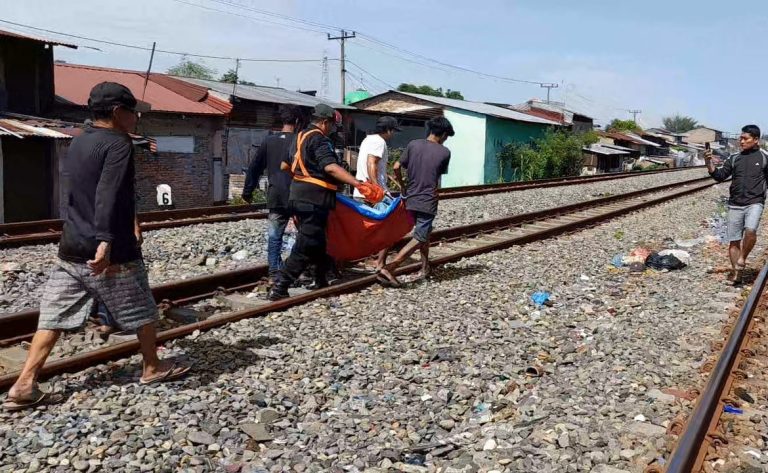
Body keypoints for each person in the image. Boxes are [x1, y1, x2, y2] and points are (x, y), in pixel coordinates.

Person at [3, 82, 191, 411]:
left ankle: (25, 383)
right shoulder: (118, 143)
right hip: (109, 250)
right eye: (133, 112)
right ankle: (151, 367)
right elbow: (108, 192)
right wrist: (106, 241)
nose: (136, 118)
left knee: (52, 317)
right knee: (143, 310)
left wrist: (127, 220)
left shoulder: (79, 141)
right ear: (118, 113)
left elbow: (86, 193)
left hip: (71, 245)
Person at [268, 104, 381, 301]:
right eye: (332, 125)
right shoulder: (320, 139)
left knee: (318, 241)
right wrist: (358, 183)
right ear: (324, 122)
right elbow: (330, 167)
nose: (332, 130)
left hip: (296, 196)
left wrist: (303, 178)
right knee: (306, 243)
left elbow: (285, 165)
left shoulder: (299, 136)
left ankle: (320, 278)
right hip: (314, 200)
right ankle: (281, 284)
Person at [377, 116, 454, 287]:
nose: (446, 139)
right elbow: (437, 178)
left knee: (419, 233)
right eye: (447, 136)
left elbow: (396, 167)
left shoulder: (413, 144)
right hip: (428, 199)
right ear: (442, 134)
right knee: (420, 236)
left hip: (410, 197)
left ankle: (425, 268)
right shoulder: (444, 152)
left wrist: (403, 187)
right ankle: (391, 267)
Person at [242, 105, 304, 282]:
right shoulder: (302, 140)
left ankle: (274, 273)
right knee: (303, 235)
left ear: (282, 121)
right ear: (298, 121)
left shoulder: (269, 141)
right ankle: (297, 270)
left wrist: (248, 192)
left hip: (276, 194)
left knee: (275, 236)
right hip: (299, 195)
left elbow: (255, 168)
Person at [706, 124, 768, 283]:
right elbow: (719, 176)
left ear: (755, 140)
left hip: (755, 202)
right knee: (733, 240)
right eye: (740, 138)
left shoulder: (764, 157)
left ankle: (742, 258)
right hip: (735, 204)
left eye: (745, 138)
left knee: (750, 230)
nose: (741, 141)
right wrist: (709, 163)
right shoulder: (734, 158)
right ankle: (737, 273)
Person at [353, 116, 400, 270]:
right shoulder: (379, 142)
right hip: (372, 194)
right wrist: (377, 188)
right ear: (388, 130)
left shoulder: (368, 139)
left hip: (362, 190)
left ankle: (357, 257)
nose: (392, 135)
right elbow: (371, 163)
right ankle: (379, 263)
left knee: (363, 229)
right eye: (392, 131)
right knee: (386, 228)